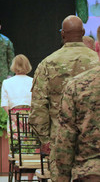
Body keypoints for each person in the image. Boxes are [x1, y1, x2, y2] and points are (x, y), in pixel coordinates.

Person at [29, 15, 98, 181]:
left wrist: (45, 140)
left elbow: (38, 108)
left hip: (58, 143)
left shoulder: (47, 64)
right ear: (83, 33)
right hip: (92, 147)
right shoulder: (96, 61)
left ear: (62, 34)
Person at [55, 25, 100, 182]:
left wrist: (62, 177)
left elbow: (66, 141)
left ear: (97, 47)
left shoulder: (77, 85)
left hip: (90, 172)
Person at [0, 54, 34, 181]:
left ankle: (17, 178)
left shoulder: (7, 82)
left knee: (16, 151)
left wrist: (15, 118)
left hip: (14, 121)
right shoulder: (33, 81)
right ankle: (30, 179)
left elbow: (4, 105)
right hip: (31, 121)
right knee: (32, 150)